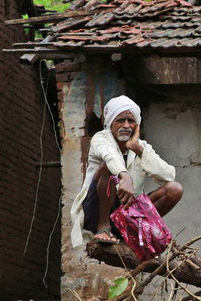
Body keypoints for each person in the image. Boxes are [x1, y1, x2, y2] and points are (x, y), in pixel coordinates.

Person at [69, 95, 183, 247]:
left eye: (131, 121)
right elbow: (109, 157)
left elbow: (168, 175)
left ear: (137, 125)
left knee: (174, 189)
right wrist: (124, 176)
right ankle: (103, 228)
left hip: (127, 213)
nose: (126, 126)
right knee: (108, 170)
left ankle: (136, 231)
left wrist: (138, 150)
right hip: (96, 212)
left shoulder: (141, 146)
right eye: (120, 120)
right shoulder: (101, 139)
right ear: (110, 123)